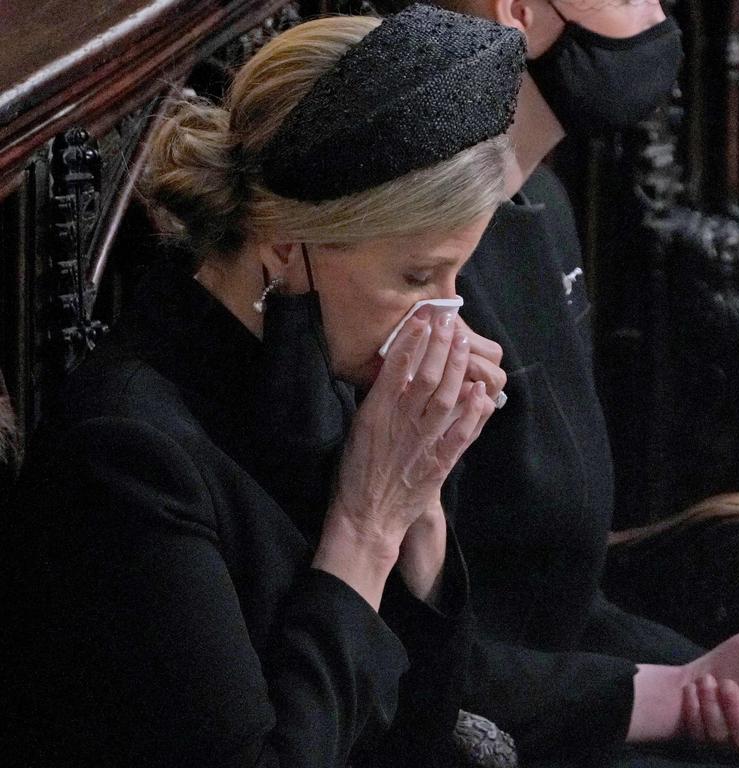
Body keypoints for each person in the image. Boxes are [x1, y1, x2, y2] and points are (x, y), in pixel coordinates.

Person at [2, 6, 524, 767]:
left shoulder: (335, 371)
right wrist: (366, 529)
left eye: (455, 275)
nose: (448, 316)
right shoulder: (126, 452)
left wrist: (422, 512)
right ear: (286, 247)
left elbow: (425, 727)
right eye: (417, 276)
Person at [390, 0, 739, 765]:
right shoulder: (404, 273)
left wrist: (687, 674)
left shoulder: (542, 203)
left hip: (570, 672)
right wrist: (660, 690)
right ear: (517, 11)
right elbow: (412, 640)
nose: (658, 14)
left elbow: (561, 585)